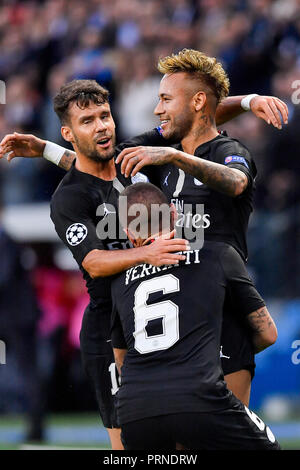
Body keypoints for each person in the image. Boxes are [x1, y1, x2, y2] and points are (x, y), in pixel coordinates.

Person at [0, 67, 287, 445]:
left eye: (105, 116)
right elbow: (94, 262)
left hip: (164, 312)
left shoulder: (130, 158)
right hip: (109, 327)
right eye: (87, 121)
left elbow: (195, 116)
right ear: (68, 133)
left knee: (187, 435)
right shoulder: (68, 199)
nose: (102, 126)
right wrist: (148, 253)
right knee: (127, 447)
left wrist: (250, 101)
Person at [110, 181, 279, 450]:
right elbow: (268, 333)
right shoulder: (218, 254)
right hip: (199, 398)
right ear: (174, 215)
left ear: (129, 234)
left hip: (135, 411)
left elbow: (121, 359)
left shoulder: (120, 281)